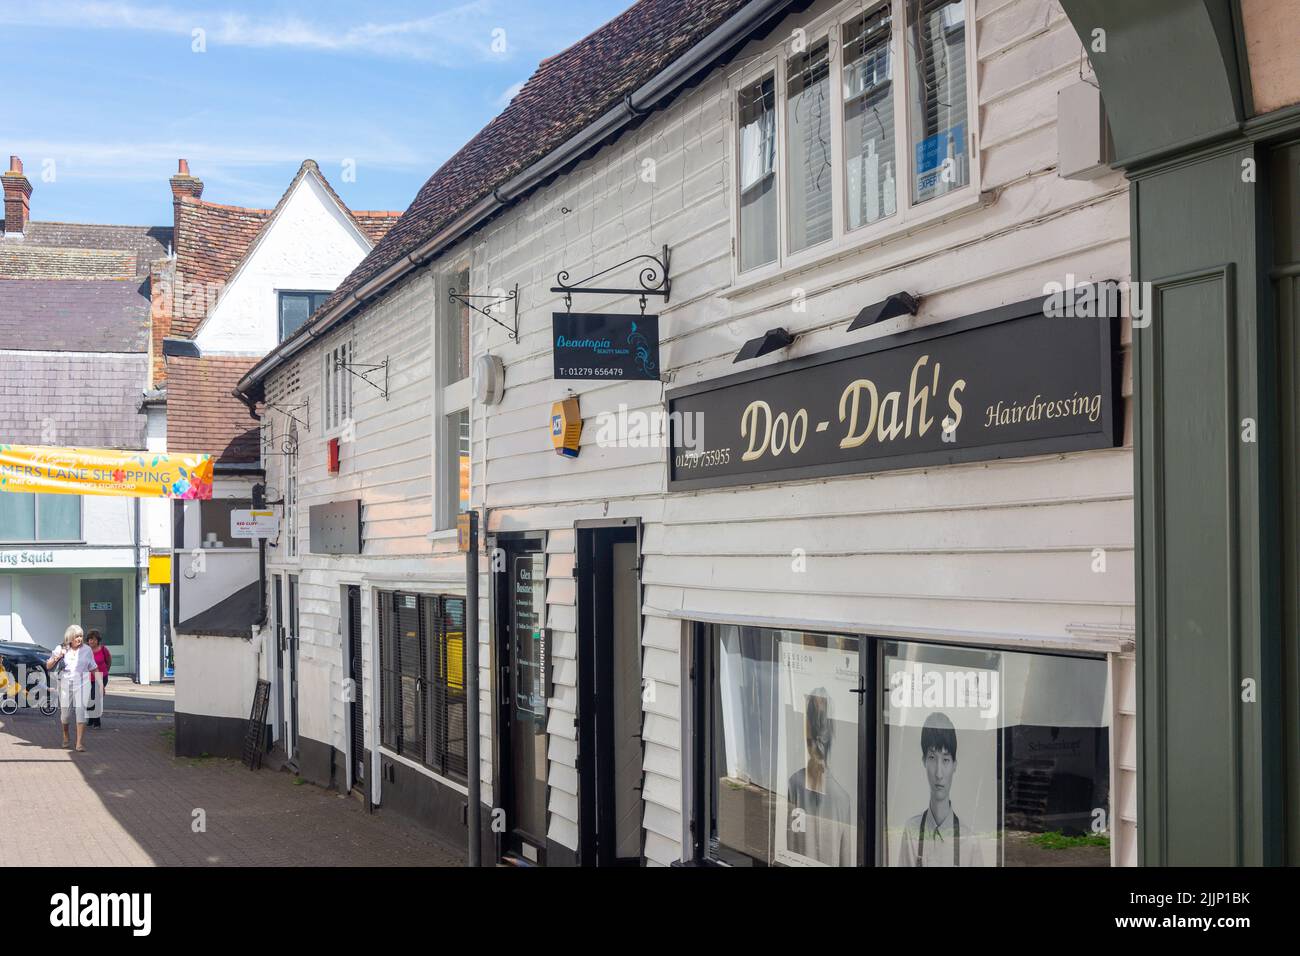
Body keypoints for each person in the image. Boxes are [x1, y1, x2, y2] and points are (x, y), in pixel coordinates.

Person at [897, 711, 986, 866]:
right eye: (932, 758)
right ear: (924, 761)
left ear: (954, 765)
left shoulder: (970, 842)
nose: (939, 773)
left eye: (945, 760)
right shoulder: (912, 832)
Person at [786, 688, 854, 866]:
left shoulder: (842, 800)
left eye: (819, 741)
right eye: (810, 741)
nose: (815, 748)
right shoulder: (795, 785)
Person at [46, 625, 96, 752]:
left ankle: (79, 743)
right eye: (76, 636)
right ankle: (66, 735)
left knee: (81, 712)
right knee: (66, 715)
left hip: (83, 684)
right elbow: (48, 665)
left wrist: (101, 684)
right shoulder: (61, 648)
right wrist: (58, 656)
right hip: (65, 683)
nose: (79, 639)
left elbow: (93, 667)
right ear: (70, 638)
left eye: (81, 636)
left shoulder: (87, 650)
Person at [86, 630, 111, 728]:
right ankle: (91, 720)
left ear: (98, 640)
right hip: (89, 678)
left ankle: (97, 723)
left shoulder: (103, 649)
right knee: (89, 700)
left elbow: (108, 661)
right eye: (90, 639)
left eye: (94, 639)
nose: (92, 641)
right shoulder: (85, 651)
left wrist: (105, 672)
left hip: (101, 677)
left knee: (94, 698)